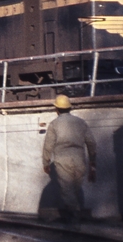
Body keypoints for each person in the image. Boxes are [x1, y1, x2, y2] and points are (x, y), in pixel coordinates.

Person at [42, 94, 97, 223]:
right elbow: (91, 143)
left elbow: (48, 145)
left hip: (62, 160)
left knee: (67, 191)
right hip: (80, 159)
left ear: (57, 109)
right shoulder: (80, 122)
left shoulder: (54, 124)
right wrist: (93, 163)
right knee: (75, 190)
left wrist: (46, 162)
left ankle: (74, 219)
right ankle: (74, 217)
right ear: (69, 108)